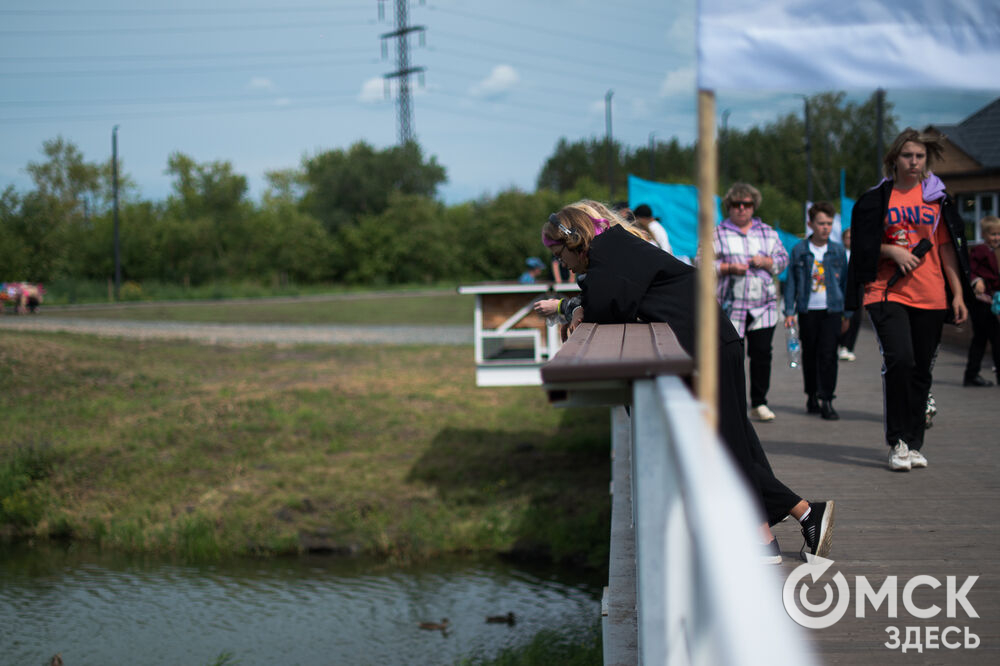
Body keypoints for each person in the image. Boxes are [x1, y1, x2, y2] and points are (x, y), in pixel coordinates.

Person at [542, 199, 834, 563]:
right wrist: (579, 306)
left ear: (573, 240)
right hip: (709, 342)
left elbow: (605, 305)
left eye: (558, 254)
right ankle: (783, 526)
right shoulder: (616, 247)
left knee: (722, 442)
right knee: (730, 438)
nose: (561, 265)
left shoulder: (609, 254)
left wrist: (574, 309)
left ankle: (785, 525)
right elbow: (610, 299)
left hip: (705, 346)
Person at [845, 127, 971, 472]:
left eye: (919, 156)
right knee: (900, 359)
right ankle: (898, 441)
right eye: (907, 155)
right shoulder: (877, 199)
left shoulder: (936, 198)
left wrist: (958, 293)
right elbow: (862, 245)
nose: (914, 162)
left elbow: (948, 249)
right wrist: (892, 251)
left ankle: (914, 444)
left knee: (920, 370)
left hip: (931, 294)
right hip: (887, 290)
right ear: (894, 159)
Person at [708, 182, 789, 422]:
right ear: (728, 207)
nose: (741, 209)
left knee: (762, 354)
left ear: (754, 206)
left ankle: (759, 402)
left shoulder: (767, 232)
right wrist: (727, 267)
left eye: (747, 204)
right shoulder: (717, 234)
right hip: (731, 307)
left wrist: (766, 262)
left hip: (763, 307)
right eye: (736, 205)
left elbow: (783, 259)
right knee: (732, 357)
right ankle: (732, 404)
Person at [783, 202, 850, 420]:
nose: (825, 228)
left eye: (829, 224)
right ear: (810, 224)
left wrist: (847, 313)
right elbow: (791, 281)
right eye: (821, 223)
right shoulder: (800, 250)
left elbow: (846, 283)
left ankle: (827, 399)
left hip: (831, 310)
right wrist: (789, 311)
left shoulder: (838, 250)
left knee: (829, 355)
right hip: (807, 310)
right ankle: (811, 394)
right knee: (810, 354)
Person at [964, 215, 1000, 386]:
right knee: (992, 338)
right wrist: (976, 280)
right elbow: (969, 270)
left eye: (999, 234)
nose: (997, 238)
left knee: (983, 338)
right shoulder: (980, 250)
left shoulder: (996, 251)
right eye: (993, 234)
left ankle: (971, 374)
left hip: (993, 300)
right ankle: (972, 375)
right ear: (984, 234)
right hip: (982, 301)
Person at [837, 227, 862, 361]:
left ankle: (849, 346)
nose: (850, 240)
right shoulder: (839, 252)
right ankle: (841, 344)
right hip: (842, 289)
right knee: (843, 318)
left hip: (857, 289)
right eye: (848, 237)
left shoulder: (859, 254)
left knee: (855, 319)